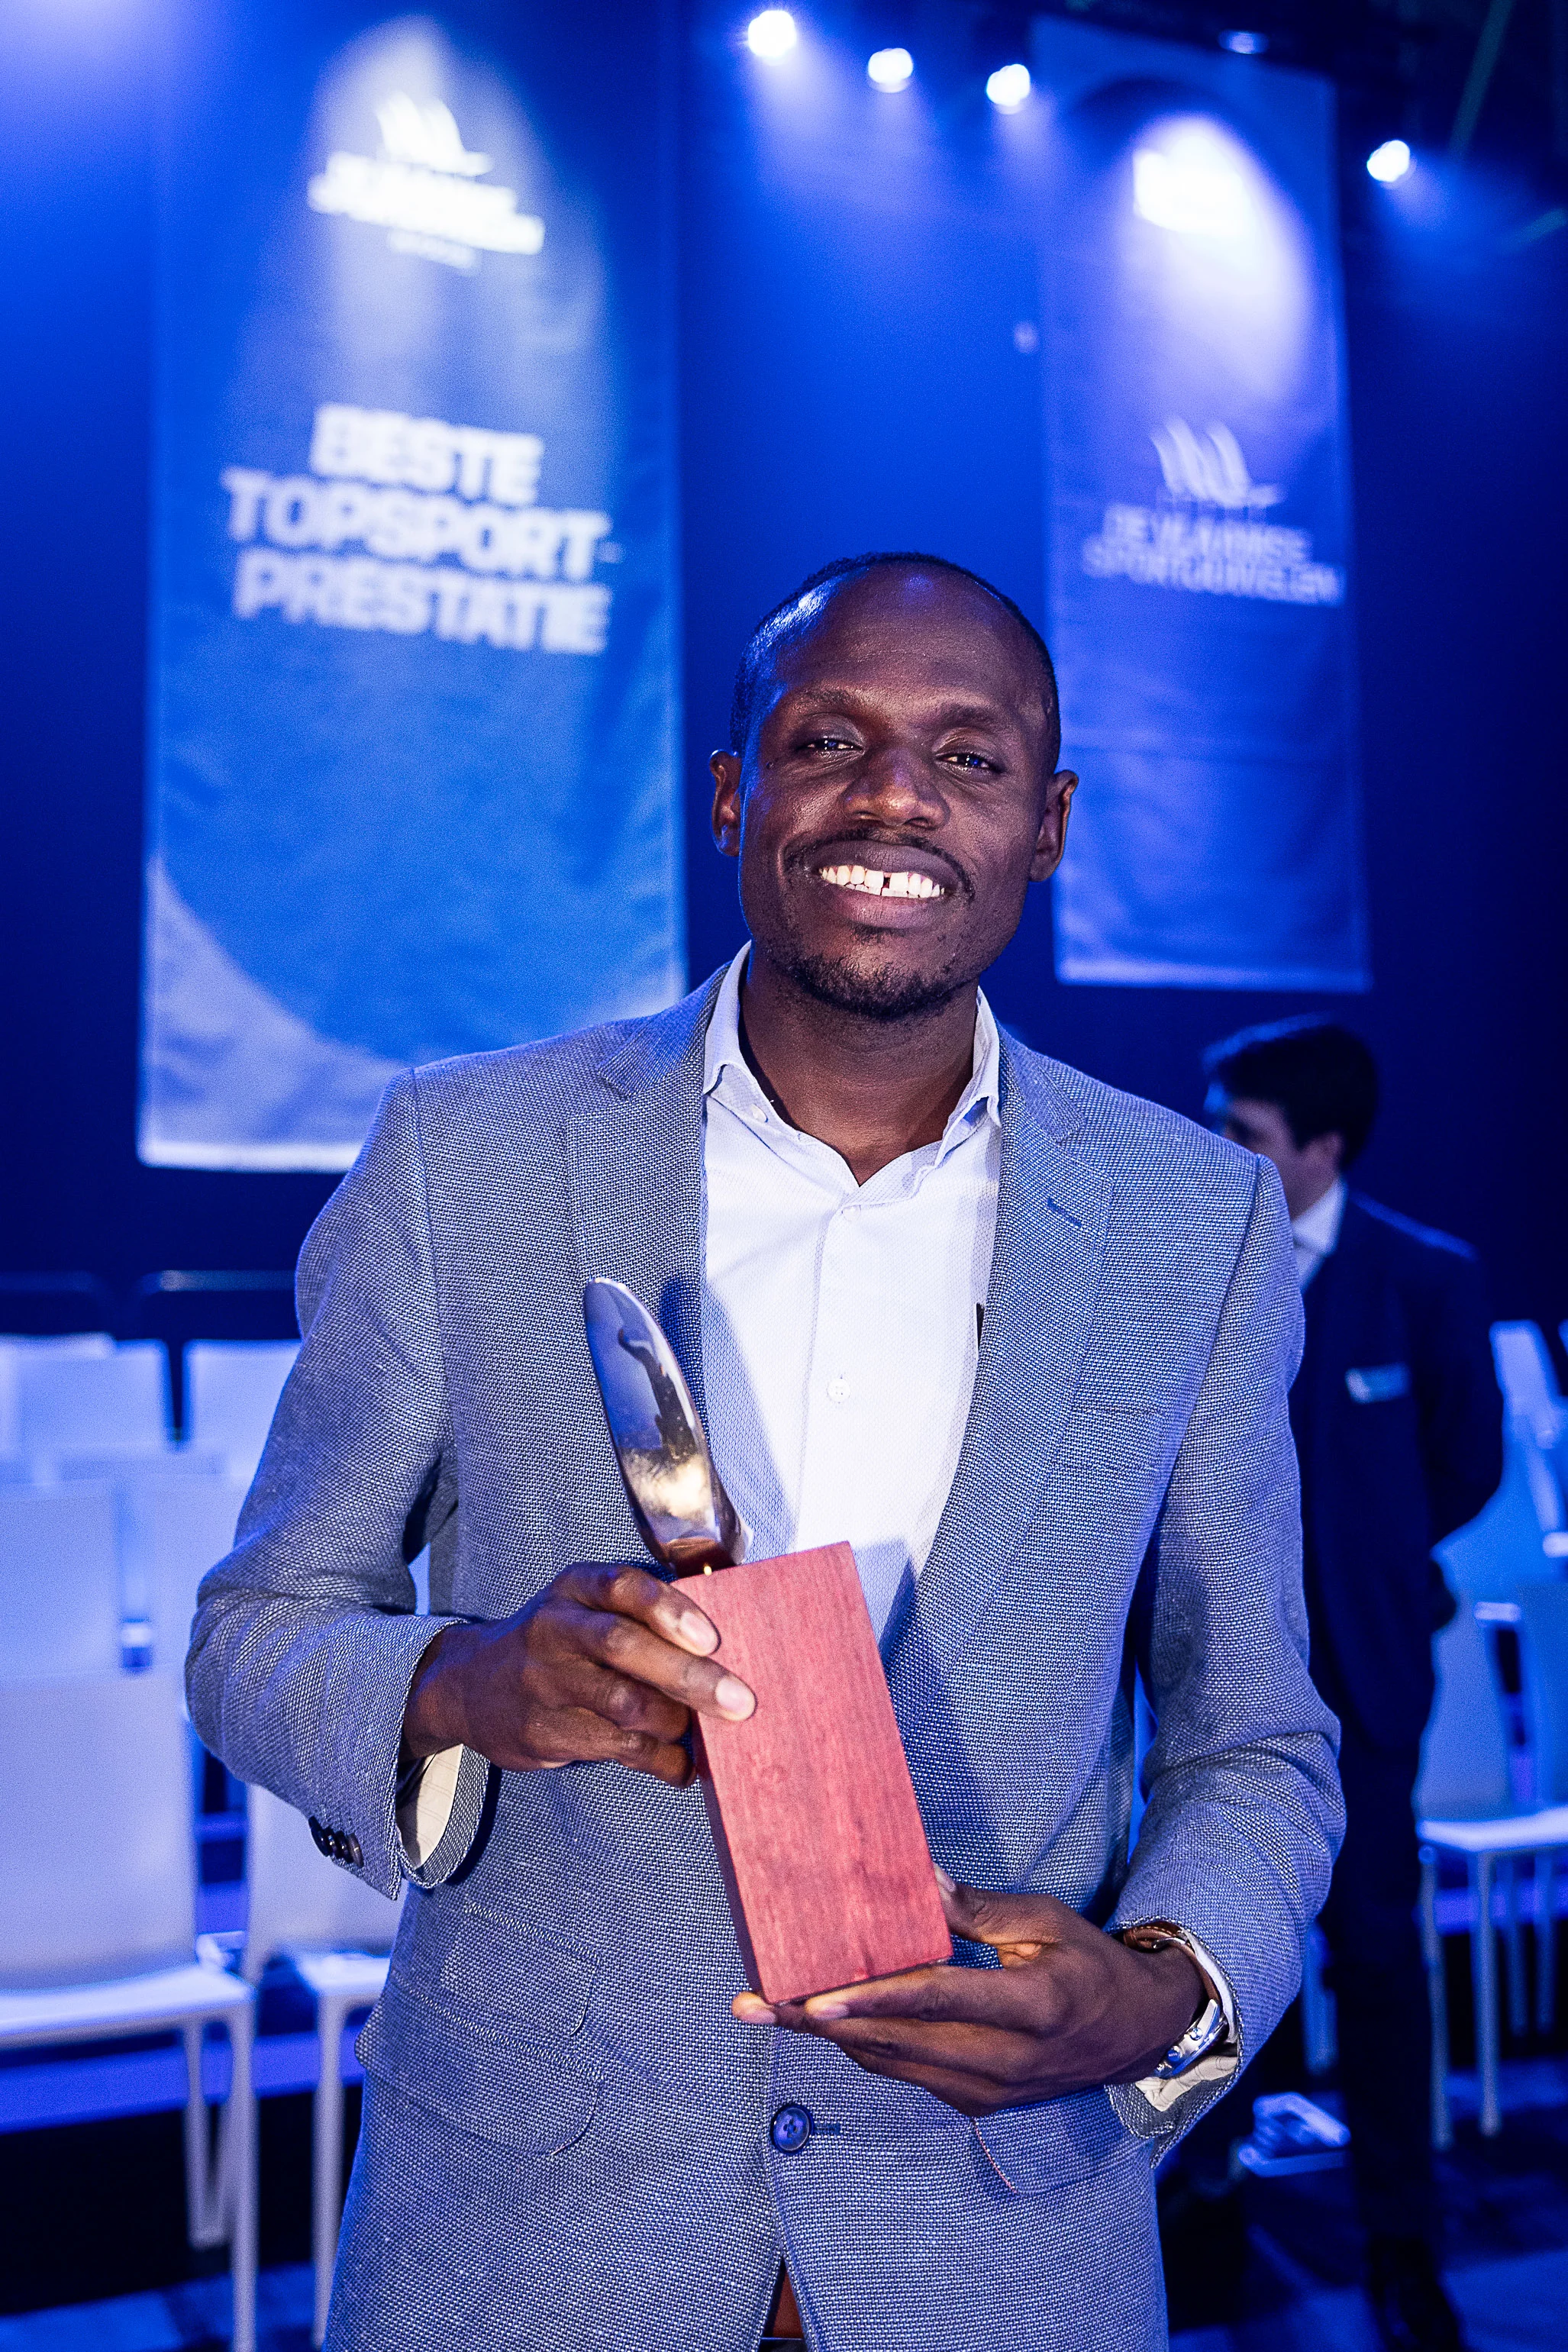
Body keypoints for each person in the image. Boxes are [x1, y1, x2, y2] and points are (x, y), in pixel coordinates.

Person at [189, 555, 1341, 2352]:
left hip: (1001, 2246)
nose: (894, 798)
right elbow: (257, 1630)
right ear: (734, 791)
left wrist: (1163, 1991)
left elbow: (1258, 1737)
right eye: (830, 740)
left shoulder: (1196, 1225)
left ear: (1046, 825)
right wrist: (464, 1682)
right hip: (525, 2240)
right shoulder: (463, 1155)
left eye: (968, 760)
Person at [1204, 1018, 1503, 2352]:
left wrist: (1375, 1559)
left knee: (1378, 1963)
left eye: (1245, 1134)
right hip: (1202, 1683)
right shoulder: (1193, 1260)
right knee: (1207, 1947)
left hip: (1363, 1690)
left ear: (1320, 1149)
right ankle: (1204, 2205)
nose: (1218, 1149)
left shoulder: (1426, 1281)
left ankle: (1399, 2241)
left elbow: (1467, 1466)